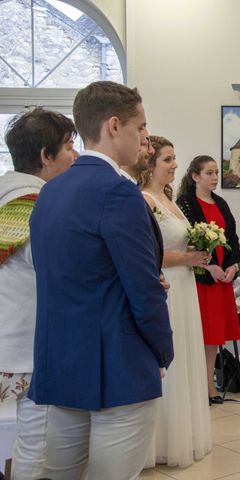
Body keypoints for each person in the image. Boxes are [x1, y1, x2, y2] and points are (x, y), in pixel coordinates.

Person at [28, 81, 174, 480]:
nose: (145, 137)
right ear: (114, 126)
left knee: (60, 474)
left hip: (62, 360)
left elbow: (67, 276)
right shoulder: (118, 192)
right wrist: (161, 351)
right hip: (117, 363)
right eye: (140, 127)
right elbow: (143, 288)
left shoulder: (50, 192)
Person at [0, 108, 76, 480]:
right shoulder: (36, 203)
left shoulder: (6, 194)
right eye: (68, 146)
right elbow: (57, 270)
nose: (74, 155)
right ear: (45, 156)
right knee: (35, 442)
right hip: (25, 344)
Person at [140, 136, 212, 467]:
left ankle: (184, 433)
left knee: (185, 357)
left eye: (174, 159)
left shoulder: (168, 199)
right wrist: (188, 258)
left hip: (185, 285)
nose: (174, 165)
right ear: (150, 163)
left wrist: (197, 255)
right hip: (168, 287)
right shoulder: (144, 200)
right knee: (170, 362)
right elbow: (148, 255)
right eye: (167, 159)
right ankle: (159, 442)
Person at [176, 155, 240, 403]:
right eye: (209, 173)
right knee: (197, 334)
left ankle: (209, 386)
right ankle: (195, 386)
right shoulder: (186, 203)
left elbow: (232, 237)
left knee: (213, 337)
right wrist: (210, 266)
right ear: (195, 176)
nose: (215, 177)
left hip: (220, 280)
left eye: (216, 173)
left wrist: (232, 265)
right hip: (200, 278)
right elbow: (187, 242)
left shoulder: (220, 202)